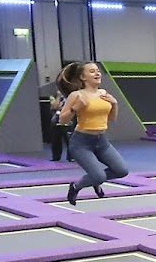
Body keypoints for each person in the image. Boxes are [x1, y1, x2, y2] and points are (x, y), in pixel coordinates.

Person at [58, 62, 129, 205]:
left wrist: (114, 104)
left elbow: (111, 119)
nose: (97, 73)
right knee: (99, 176)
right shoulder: (77, 95)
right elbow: (62, 120)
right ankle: (76, 186)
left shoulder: (103, 93)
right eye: (92, 71)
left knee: (122, 171)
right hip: (81, 143)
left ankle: (93, 180)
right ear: (83, 77)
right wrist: (75, 108)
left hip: (101, 141)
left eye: (98, 71)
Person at [48, 83, 74, 162]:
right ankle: (56, 156)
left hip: (68, 119)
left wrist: (61, 107)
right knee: (55, 139)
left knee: (69, 139)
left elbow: (71, 107)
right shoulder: (53, 96)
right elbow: (54, 106)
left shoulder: (71, 96)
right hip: (56, 119)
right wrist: (59, 96)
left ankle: (71, 157)